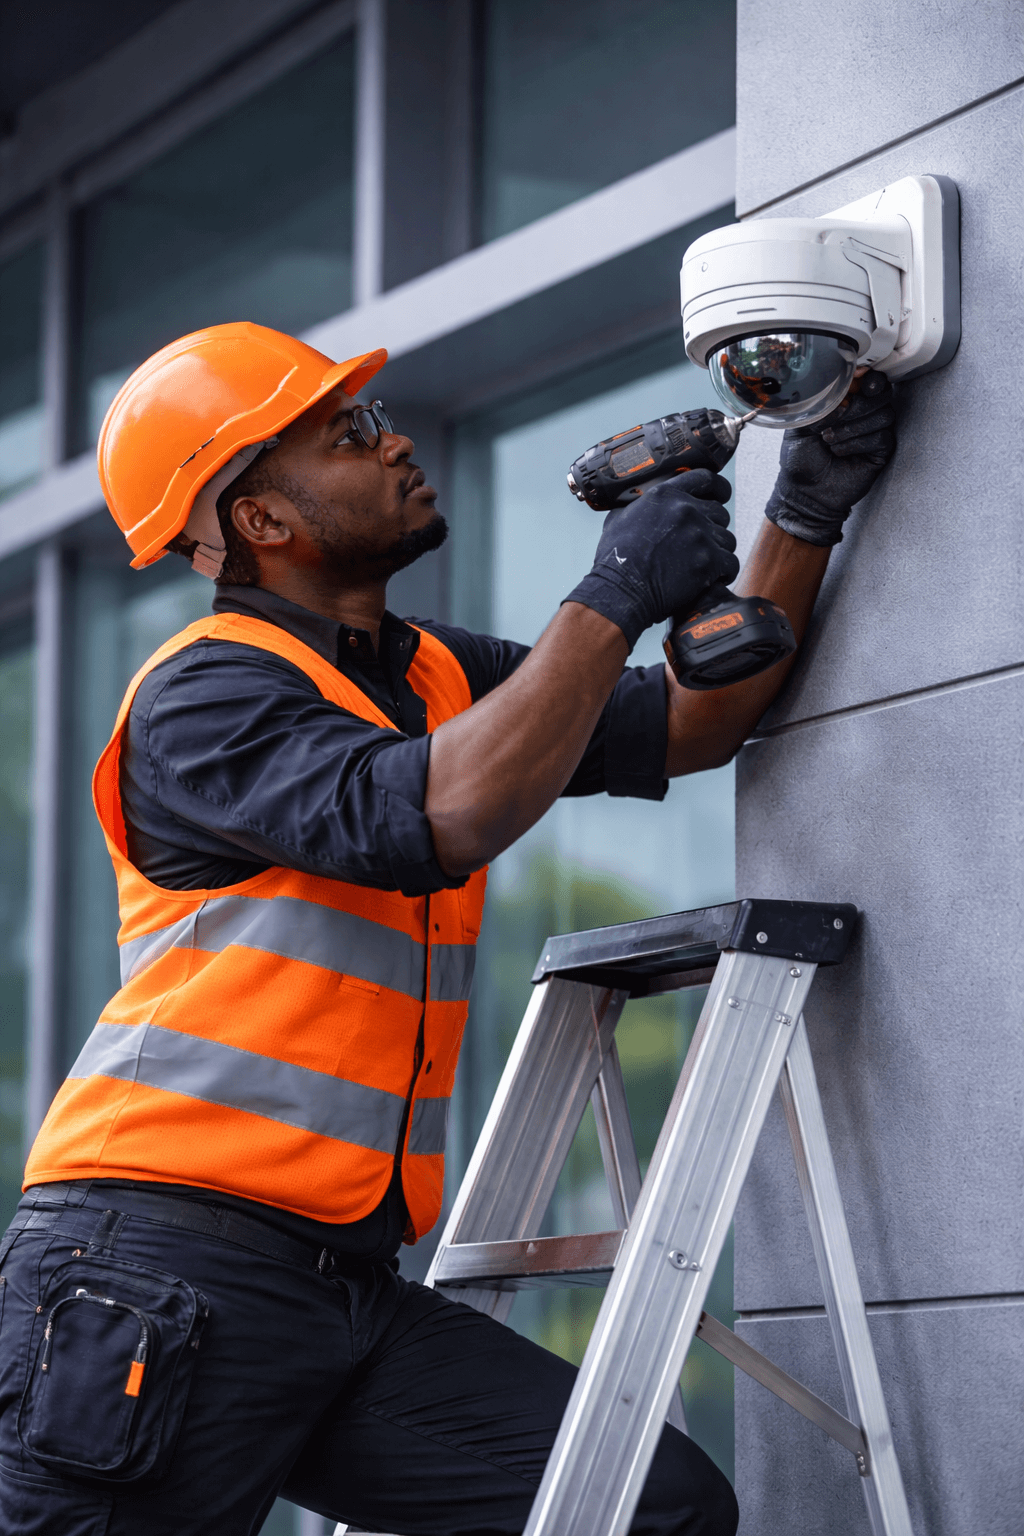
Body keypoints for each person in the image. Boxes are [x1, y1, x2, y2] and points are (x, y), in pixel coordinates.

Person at [0, 323, 895, 1535]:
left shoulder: (426, 675)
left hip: (343, 1291)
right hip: (152, 1268)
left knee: (648, 1506)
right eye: (349, 433)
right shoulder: (202, 692)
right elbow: (434, 815)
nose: (396, 439)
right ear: (261, 520)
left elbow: (687, 726)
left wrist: (806, 505)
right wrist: (617, 590)